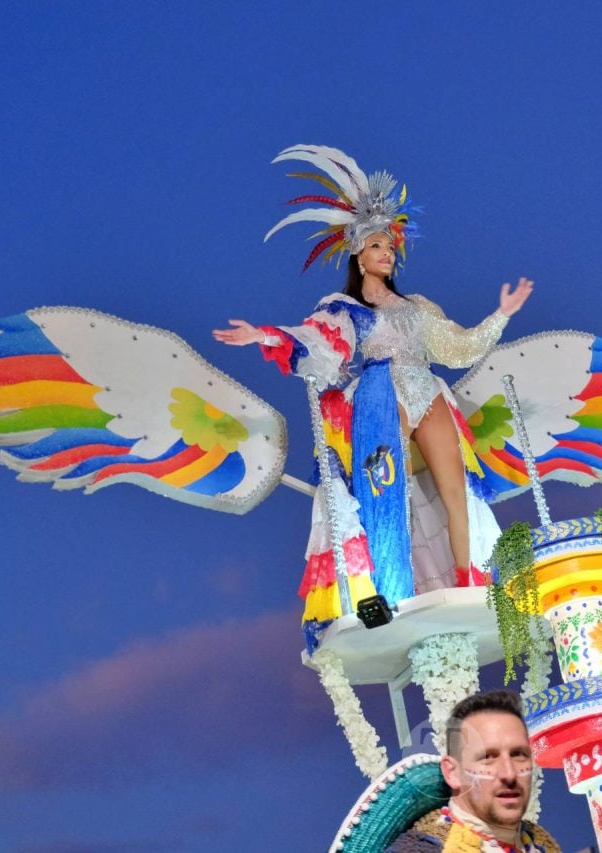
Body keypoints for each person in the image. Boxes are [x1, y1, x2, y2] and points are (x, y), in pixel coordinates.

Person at [213, 145, 532, 640]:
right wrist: (266, 335)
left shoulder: (418, 306)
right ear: (359, 252)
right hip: (383, 401)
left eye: (390, 248)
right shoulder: (346, 308)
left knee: (455, 491)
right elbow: (317, 338)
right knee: (387, 494)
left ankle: (471, 579)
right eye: (378, 247)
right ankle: (389, 590)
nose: (386, 255)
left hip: (426, 391)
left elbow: (459, 346)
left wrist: (501, 315)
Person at [385, 690, 562, 852]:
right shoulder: (420, 849)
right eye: (488, 757)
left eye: (518, 754)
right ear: (452, 773)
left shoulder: (542, 842)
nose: (509, 774)